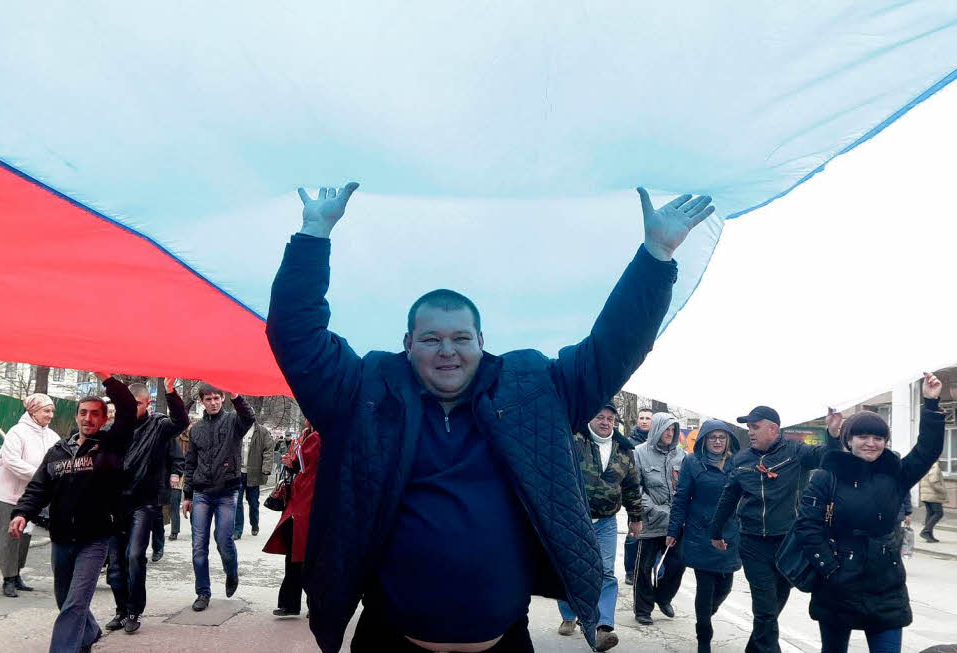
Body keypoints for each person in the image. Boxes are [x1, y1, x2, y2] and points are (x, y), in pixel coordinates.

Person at [265, 181, 714, 652]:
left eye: (461, 338)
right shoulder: (364, 394)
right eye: (431, 338)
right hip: (390, 639)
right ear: (407, 344)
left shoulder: (536, 394)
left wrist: (656, 256)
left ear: (482, 342)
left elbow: (614, 347)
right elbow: (297, 338)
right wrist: (313, 236)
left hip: (503, 642)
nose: (447, 351)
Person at [794, 373, 944, 653]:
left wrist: (931, 404)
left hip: (885, 583)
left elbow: (928, 449)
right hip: (837, 584)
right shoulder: (827, 476)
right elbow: (807, 528)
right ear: (849, 440)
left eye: (878, 437)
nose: (871, 443)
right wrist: (830, 569)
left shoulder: (896, 474)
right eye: (863, 436)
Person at [8, 373, 136, 653]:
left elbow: (127, 408)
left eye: (94, 414)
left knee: (76, 603)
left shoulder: (111, 445)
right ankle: (89, 632)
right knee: (64, 599)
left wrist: (106, 378)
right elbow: (38, 488)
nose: (87, 418)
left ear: (104, 420)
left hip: (95, 538)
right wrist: (21, 514)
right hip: (62, 538)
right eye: (83, 413)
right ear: (76, 416)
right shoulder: (58, 450)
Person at [709, 405, 841, 653]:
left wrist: (832, 434)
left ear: (773, 428)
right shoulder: (741, 460)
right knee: (765, 609)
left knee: (773, 607)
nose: (750, 432)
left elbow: (828, 459)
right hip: (752, 543)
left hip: (788, 545)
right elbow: (728, 497)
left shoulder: (796, 452)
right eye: (748, 427)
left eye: (755, 427)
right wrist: (715, 531)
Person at [556, 404, 642, 651]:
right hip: (574, 518)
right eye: (600, 417)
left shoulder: (624, 449)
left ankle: (604, 626)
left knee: (605, 570)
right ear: (589, 418)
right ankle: (569, 614)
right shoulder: (573, 440)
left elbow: (632, 487)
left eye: (610, 419)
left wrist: (635, 518)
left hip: (605, 521)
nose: (605, 422)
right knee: (569, 569)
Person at [105, 378, 188, 634]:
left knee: (134, 556)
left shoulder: (158, 425)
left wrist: (171, 392)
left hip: (144, 503)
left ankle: (133, 610)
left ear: (148, 403)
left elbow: (181, 423)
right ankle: (120, 610)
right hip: (116, 503)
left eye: (136, 404)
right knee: (116, 563)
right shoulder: (114, 429)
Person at [666, 419, 741, 653]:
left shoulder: (737, 463)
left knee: (725, 587)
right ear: (704, 440)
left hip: (729, 534)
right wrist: (673, 530)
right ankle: (704, 638)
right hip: (701, 533)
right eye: (712, 437)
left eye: (721, 437)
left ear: (728, 439)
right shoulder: (692, 463)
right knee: (705, 587)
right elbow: (681, 499)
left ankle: (705, 615)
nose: (717, 441)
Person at [181, 384, 256, 612]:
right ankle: (203, 592)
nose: (213, 402)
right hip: (202, 493)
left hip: (226, 492)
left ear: (222, 399)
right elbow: (190, 463)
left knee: (224, 540)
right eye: (208, 399)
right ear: (202, 401)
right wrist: (187, 495)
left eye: (216, 398)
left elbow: (249, 416)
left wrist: (236, 395)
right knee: (198, 546)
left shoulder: (234, 421)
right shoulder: (197, 429)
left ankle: (231, 572)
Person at [0, 393, 60, 597]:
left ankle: (17, 574)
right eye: (46, 411)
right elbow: (11, 461)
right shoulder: (17, 432)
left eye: (52, 411)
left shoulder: (51, 436)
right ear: (33, 412)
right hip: (7, 494)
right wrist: (41, 476)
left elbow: (60, 458)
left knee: (24, 536)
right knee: (9, 536)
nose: (50, 415)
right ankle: (7, 578)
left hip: (31, 497)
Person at [631, 412, 686, 625]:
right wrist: (653, 510)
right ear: (657, 429)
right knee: (644, 568)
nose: (669, 434)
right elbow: (635, 487)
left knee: (678, 563)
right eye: (666, 429)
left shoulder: (681, 456)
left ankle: (664, 597)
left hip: (675, 522)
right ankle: (643, 610)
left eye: (673, 430)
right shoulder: (639, 453)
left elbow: (687, 486)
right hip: (649, 520)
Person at [264, 421, 321, 618]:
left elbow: (310, 464)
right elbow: (298, 467)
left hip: (313, 500)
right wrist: (291, 464)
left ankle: (313, 603)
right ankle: (291, 603)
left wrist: (294, 463)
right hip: (297, 499)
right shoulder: (305, 434)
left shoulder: (321, 435)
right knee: (294, 552)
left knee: (306, 555)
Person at [625, 407, 653, 586]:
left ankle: (650, 570)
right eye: (641, 418)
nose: (644, 421)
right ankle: (630, 570)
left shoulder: (660, 441)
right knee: (634, 533)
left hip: (656, 496)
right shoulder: (629, 442)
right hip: (635, 495)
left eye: (647, 418)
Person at [234, 422, 276, 539]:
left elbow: (268, 450)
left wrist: (266, 468)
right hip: (238, 473)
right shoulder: (236, 429)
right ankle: (237, 530)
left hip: (254, 473)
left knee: (253, 502)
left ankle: (254, 524)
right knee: (237, 502)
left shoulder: (262, 431)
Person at [149, 435, 185, 560]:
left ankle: (158, 546)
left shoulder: (164, 432)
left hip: (158, 481)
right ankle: (138, 551)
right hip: (137, 483)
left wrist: (175, 473)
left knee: (156, 516)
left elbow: (178, 458)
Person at [918, 460, 946, 542]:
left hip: (926, 493)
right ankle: (926, 531)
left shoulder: (926, 464)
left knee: (930, 514)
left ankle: (929, 536)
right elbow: (934, 481)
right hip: (933, 494)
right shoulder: (934, 466)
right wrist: (942, 490)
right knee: (939, 513)